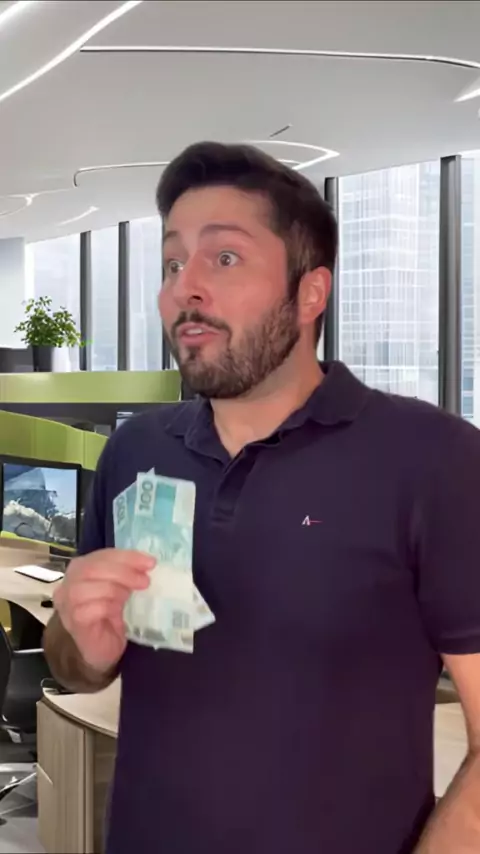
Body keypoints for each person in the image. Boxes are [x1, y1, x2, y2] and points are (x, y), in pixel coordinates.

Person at [44, 142, 480, 854]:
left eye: (224, 258)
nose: (186, 288)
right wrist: (82, 645)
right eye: (172, 263)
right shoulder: (136, 451)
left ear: (310, 294)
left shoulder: (434, 459)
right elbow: (75, 662)